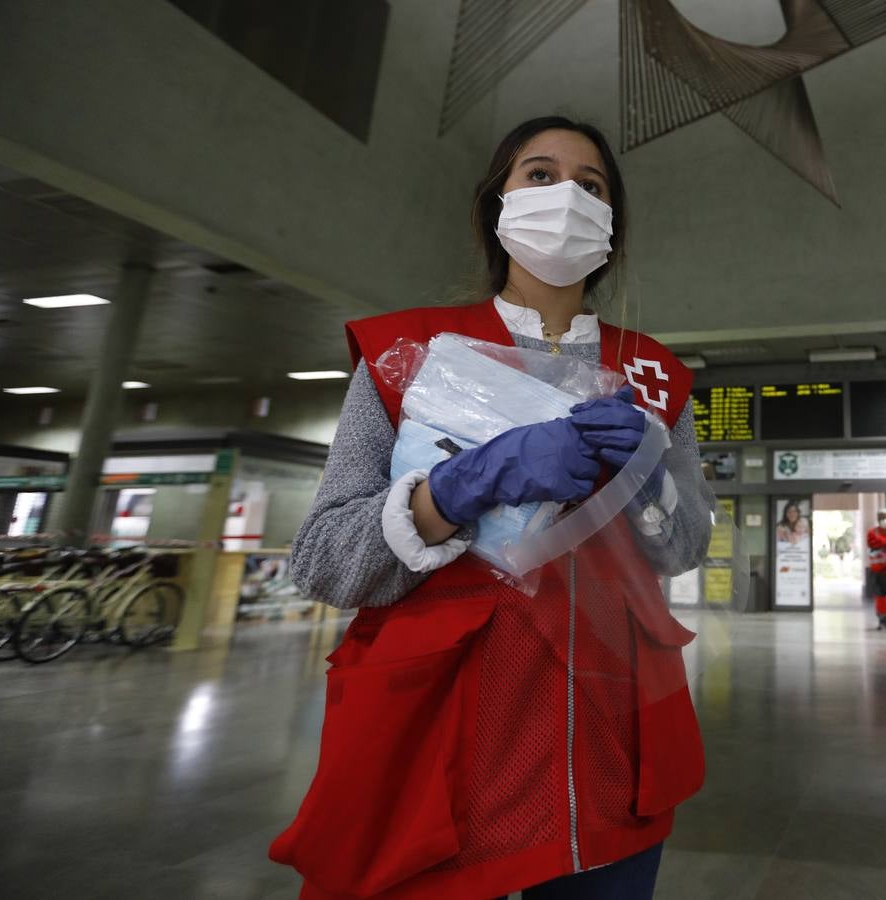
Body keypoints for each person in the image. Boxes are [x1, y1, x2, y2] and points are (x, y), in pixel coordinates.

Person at [269, 117, 713, 900]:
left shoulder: (652, 379)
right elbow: (325, 561)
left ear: (611, 223)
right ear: (496, 206)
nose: (566, 196)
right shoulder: (408, 354)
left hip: (607, 764)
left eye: (592, 185)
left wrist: (649, 484)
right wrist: (453, 491)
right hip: (440, 759)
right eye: (539, 175)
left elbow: (682, 548)